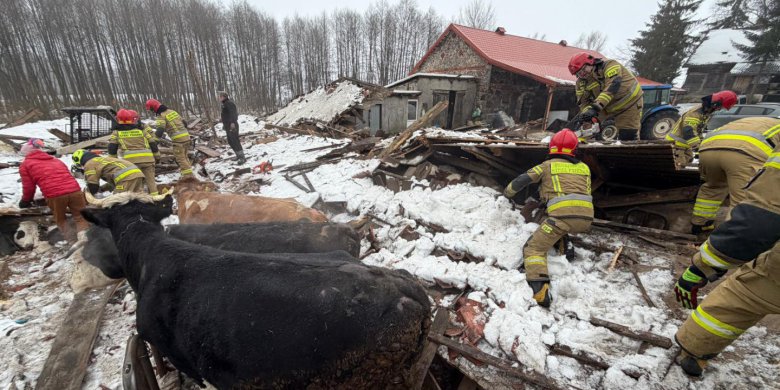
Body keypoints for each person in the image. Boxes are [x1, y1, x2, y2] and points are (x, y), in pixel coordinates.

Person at [673, 143, 779, 377]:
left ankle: (693, 351)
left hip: (711, 149)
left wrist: (703, 267)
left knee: (745, 294)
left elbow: (757, 222)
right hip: (739, 153)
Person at [503, 129, 594, 307]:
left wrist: (507, 194)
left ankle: (540, 290)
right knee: (556, 224)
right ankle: (566, 249)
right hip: (586, 218)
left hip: (561, 218)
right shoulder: (584, 168)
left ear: (551, 147)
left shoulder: (546, 166)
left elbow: (521, 181)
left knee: (533, 248)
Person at [689, 117, 780, 234]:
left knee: (713, 187)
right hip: (744, 153)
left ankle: (700, 224)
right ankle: (731, 237)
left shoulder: (761, 122)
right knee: (744, 198)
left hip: (708, 150)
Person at [18, 138, 88, 242]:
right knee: (81, 217)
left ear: (26, 153)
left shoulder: (26, 165)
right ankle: (85, 240)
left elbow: (29, 187)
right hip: (75, 191)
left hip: (55, 195)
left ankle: (72, 241)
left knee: (61, 219)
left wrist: (25, 201)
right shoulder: (56, 160)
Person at [568, 53, 644, 140]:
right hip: (605, 106)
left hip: (629, 102)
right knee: (584, 130)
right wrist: (586, 114)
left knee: (627, 136)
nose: (582, 74)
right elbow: (583, 103)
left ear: (590, 62)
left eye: (583, 69)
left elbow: (612, 87)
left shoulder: (610, 65)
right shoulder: (581, 83)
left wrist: (595, 108)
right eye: (578, 73)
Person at [666, 90, 738, 166]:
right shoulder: (696, 113)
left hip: (685, 144)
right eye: (721, 107)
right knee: (679, 165)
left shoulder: (706, 112)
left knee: (688, 161)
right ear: (717, 103)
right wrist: (699, 148)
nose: (719, 109)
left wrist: (702, 144)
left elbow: (698, 131)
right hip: (675, 144)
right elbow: (688, 131)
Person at [108, 108, 159, 195]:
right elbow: (152, 143)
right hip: (148, 160)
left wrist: (114, 161)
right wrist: (157, 156)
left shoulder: (116, 133)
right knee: (151, 182)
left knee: (136, 182)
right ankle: (156, 198)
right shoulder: (142, 131)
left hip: (131, 162)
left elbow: (112, 148)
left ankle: (139, 198)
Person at [145, 98, 193, 177]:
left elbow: (160, 130)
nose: (152, 111)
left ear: (154, 107)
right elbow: (184, 123)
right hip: (187, 138)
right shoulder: (172, 111)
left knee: (181, 160)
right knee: (185, 158)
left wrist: (155, 142)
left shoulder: (161, 116)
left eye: (151, 109)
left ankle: (189, 178)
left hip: (178, 141)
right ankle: (188, 174)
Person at [72, 149, 145, 194]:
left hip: (126, 178)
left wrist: (86, 194)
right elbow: (116, 178)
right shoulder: (103, 160)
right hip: (137, 174)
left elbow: (93, 186)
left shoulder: (89, 163)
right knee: (136, 200)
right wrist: (102, 189)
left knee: (118, 202)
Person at [219, 91, 245, 164]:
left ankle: (242, 157)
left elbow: (233, 114)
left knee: (235, 141)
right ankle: (238, 155)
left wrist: (232, 122)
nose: (219, 98)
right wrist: (223, 122)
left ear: (224, 97)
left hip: (232, 125)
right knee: (230, 141)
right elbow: (227, 114)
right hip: (227, 125)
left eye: (220, 97)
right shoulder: (224, 104)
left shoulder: (229, 103)